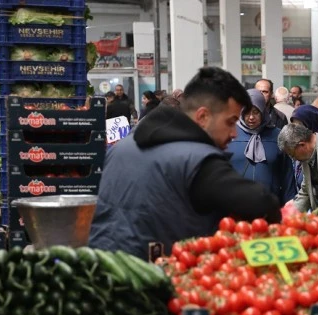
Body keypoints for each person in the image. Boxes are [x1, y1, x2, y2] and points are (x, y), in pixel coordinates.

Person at [90, 67, 282, 260]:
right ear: (203, 117)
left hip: (101, 265)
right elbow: (261, 202)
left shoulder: (123, 146)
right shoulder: (199, 160)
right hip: (152, 276)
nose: (234, 133)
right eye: (230, 122)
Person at [227, 89, 296, 204]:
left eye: (256, 112)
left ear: (263, 111)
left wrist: (290, 204)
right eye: (246, 112)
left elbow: (287, 175)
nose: (251, 117)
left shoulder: (277, 135)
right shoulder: (230, 135)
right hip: (235, 205)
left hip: (270, 206)